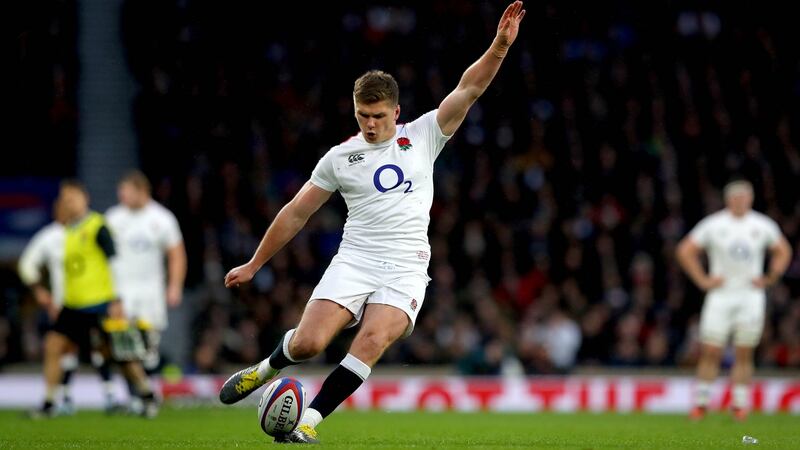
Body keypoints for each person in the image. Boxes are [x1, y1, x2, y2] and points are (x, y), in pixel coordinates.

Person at [218, 1, 526, 443]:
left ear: (396, 112)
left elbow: (468, 89)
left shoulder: (424, 135)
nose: (370, 124)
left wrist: (498, 47)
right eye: (363, 115)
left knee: (373, 338)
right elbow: (297, 212)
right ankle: (265, 369)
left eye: (379, 116)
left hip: (406, 265)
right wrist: (254, 264)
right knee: (308, 344)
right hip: (357, 258)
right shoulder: (340, 158)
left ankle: (310, 421)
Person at [30, 180, 159, 418]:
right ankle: (49, 402)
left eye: (73, 198)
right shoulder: (68, 230)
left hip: (99, 303)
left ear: (84, 198)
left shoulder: (98, 226)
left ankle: (147, 394)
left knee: (119, 354)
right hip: (74, 306)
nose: (69, 203)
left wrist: (118, 299)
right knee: (53, 346)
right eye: (65, 200)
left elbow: (115, 262)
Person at [676, 179, 791, 421]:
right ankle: (702, 402)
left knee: (744, 351)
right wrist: (702, 280)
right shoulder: (715, 224)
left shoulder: (762, 225)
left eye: (744, 196)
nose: (740, 201)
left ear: (750, 199)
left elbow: (783, 250)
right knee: (710, 349)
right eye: (735, 197)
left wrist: (771, 276)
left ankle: (739, 404)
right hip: (721, 295)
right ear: (728, 200)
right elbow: (685, 250)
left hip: (750, 296)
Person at [19, 198, 119, 415]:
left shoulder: (88, 230)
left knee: (99, 349)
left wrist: (114, 296)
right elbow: (27, 264)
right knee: (63, 349)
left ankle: (111, 396)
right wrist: (40, 292)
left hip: (94, 301)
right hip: (65, 305)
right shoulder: (51, 236)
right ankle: (58, 399)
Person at [106, 170, 186, 411]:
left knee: (147, 350)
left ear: (141, 190)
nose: (122, 196)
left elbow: (176, 254)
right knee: (123, 348)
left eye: (126, 191)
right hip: (120, 293)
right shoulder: (112, 218)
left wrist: (174, 286)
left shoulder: (162, 219)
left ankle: (145, 395)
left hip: (150, 293)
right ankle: (140, 396)